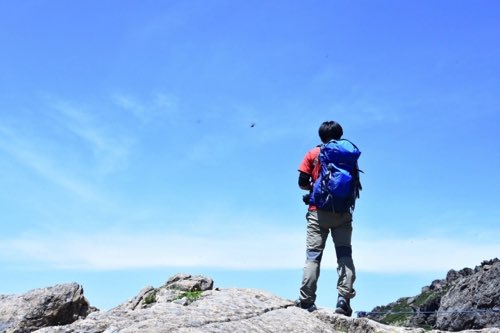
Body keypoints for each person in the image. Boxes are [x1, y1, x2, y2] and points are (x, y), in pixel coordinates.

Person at [295, 120, 358, 316]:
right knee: (344, 256)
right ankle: (343, 300)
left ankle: (306, 300)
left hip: (317, 212)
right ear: (340, 135)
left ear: (321, 136)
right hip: (343, 213)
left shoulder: (313, 154)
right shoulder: (348, 156)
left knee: (313, 256)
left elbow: (301, 182)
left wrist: (314, 187)